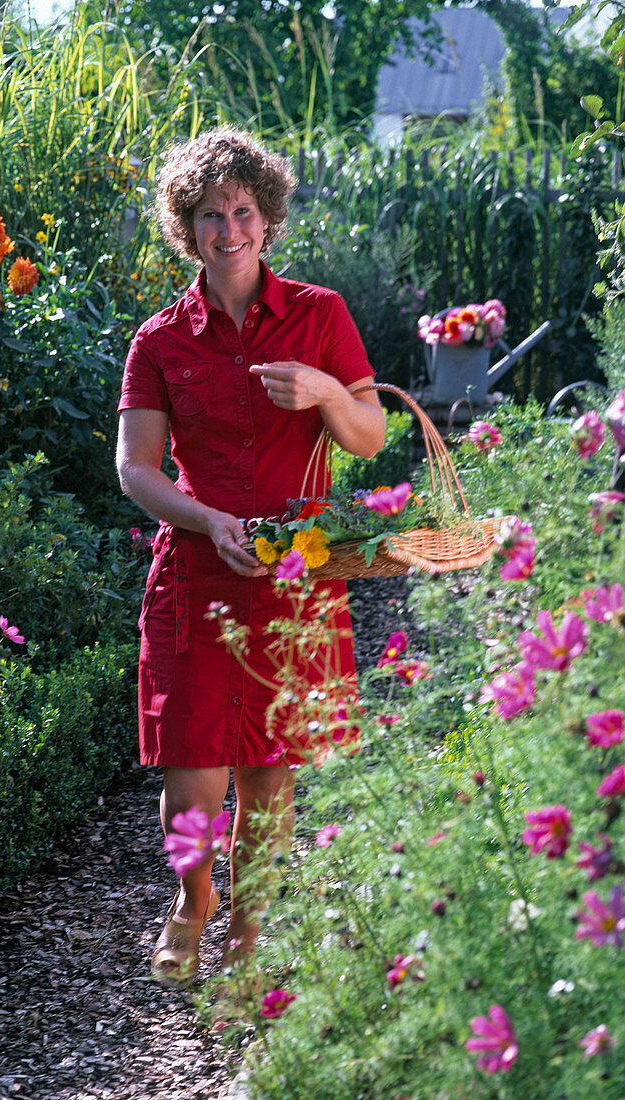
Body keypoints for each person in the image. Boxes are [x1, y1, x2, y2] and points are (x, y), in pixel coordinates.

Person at [115, 126, 385, 989]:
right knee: (191, 778)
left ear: (266, 218)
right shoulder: (160, 341)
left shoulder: (320, 314)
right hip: (197, 573)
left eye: (242, 211)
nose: (227, 230)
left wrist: (325, 390)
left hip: (295, 571)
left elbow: (372, 437)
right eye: (207, 215)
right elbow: (134, 468)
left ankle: (249, 925)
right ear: (184, 227)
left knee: (271, 775)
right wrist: (206, 519)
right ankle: (193, 900)